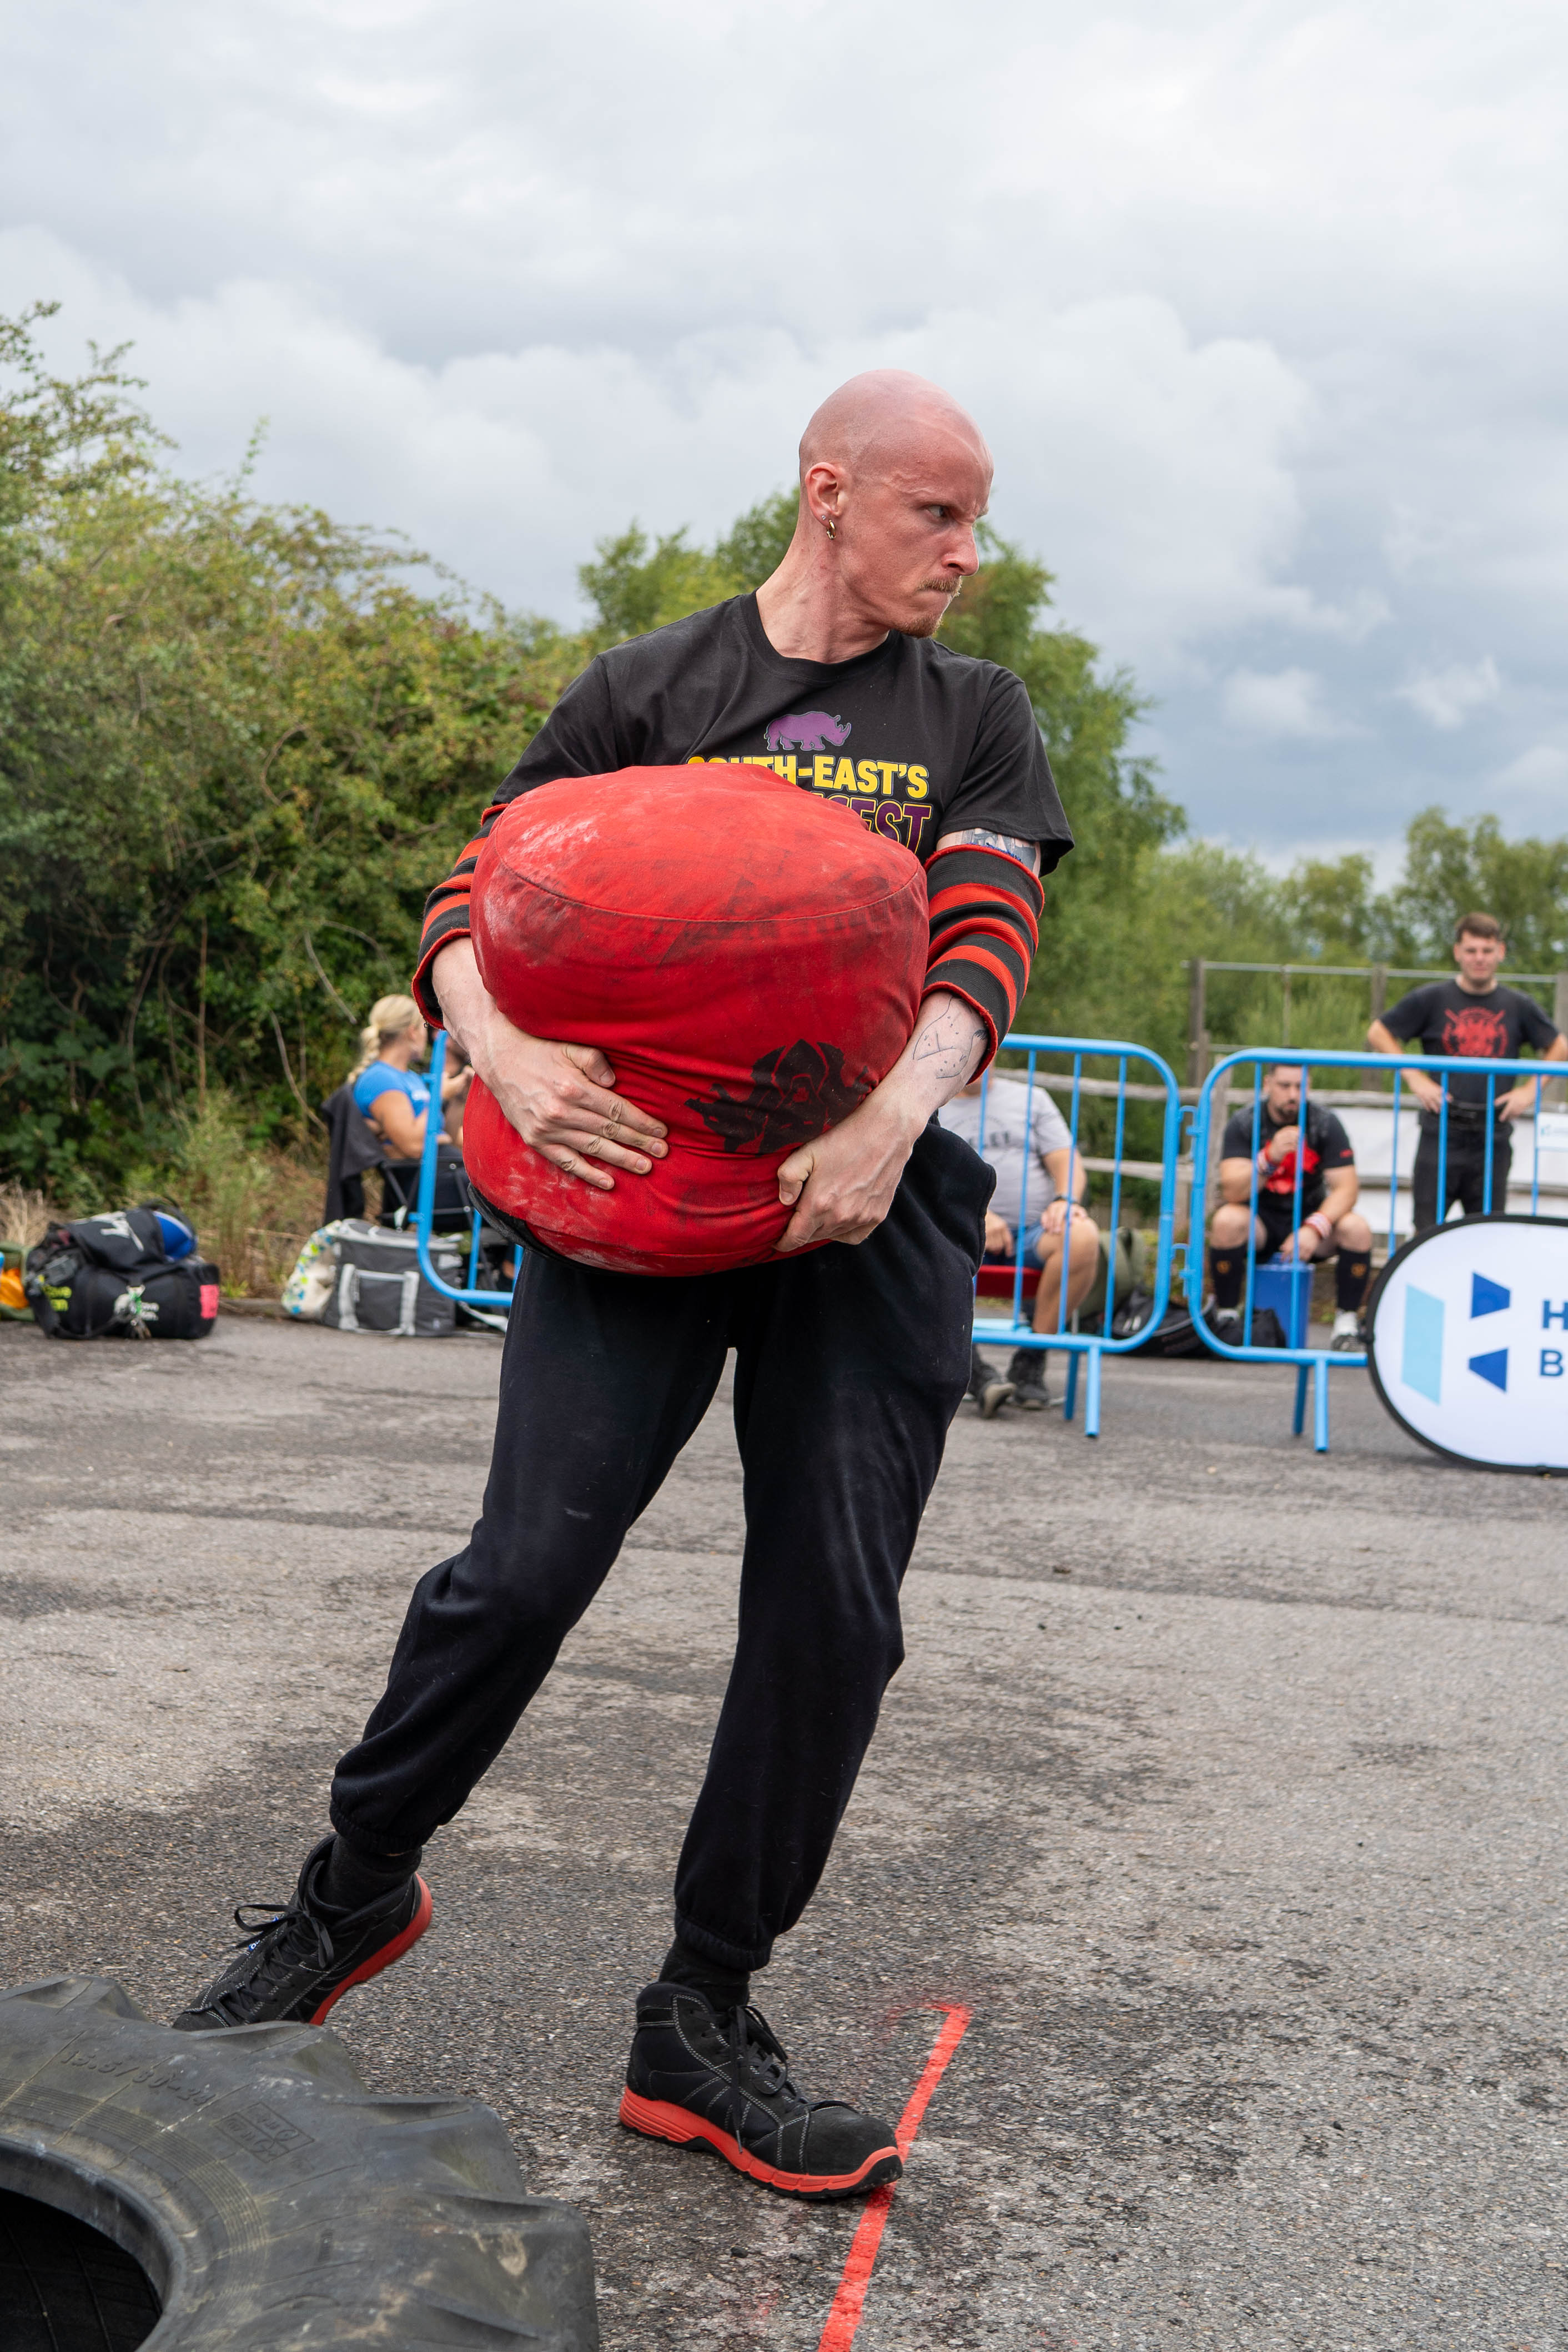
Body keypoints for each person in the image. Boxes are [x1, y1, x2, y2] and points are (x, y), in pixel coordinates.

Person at [170, 371, 1073, 2204]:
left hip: (862, 1193)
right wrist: (497, 1050)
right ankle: (351, 1892)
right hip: (630, 1185)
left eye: (977, 520)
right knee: (521, 1569)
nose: (968, 553)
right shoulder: (649, 689)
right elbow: (478, 895)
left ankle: (703, 2015)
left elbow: (987, 931)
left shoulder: (970, 712)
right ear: (829, 491)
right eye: (938, 514)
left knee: (832, 1610)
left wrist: (895, 1116)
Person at [1368, 913, 1566, 1232]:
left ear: (1500, 952)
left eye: (1487, 951)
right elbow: (1379, 1032)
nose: (1479, 958)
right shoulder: (1431, 998)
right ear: (1457, 952)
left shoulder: (1518, 1005)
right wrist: (1415, 1078)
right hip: (1441, 1129)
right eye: (1472, 950)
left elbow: (1558, 1046)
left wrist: (1530, 1091)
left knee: (1486, 1234)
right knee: (1427, 1233)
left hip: (1493, 1132)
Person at [939, 1070, 1098, 1412]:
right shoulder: (929, 1101)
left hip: (1032, 1235)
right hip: (957, 1233)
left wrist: (1066, 1200)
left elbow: (1066, 1159)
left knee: (1083, 1236)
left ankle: (1031, 1362)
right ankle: (973, 1371)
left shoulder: (1032, 1099)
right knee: (915, 1248)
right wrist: (976, 1213)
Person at [1209, 1063, 1373, 1350]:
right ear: (1268, 1084)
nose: (1293, 1095)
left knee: (1356, 1228)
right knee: (1226, 1221)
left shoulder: (1324, 1123)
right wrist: (1269, 1158)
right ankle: (1227, 1317)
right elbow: (1232, 1190)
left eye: (1300, 1086)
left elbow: (1347, 1189)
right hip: (1259, 1220)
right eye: (1285, 1086)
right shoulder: (1245, 1121)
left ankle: (1346, 1325)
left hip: (1309, 1219)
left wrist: (1315, 1227)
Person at [350, 995, 472, 1159]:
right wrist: (439, 1096)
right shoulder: (380, 1079)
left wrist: (459, 1099)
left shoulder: (412, 1078)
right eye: (424, 1027)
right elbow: (414, 1146)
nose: (426, 1035)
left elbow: (447, 1138)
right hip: (424, 1173)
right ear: (413, 1033)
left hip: (444, 1165)